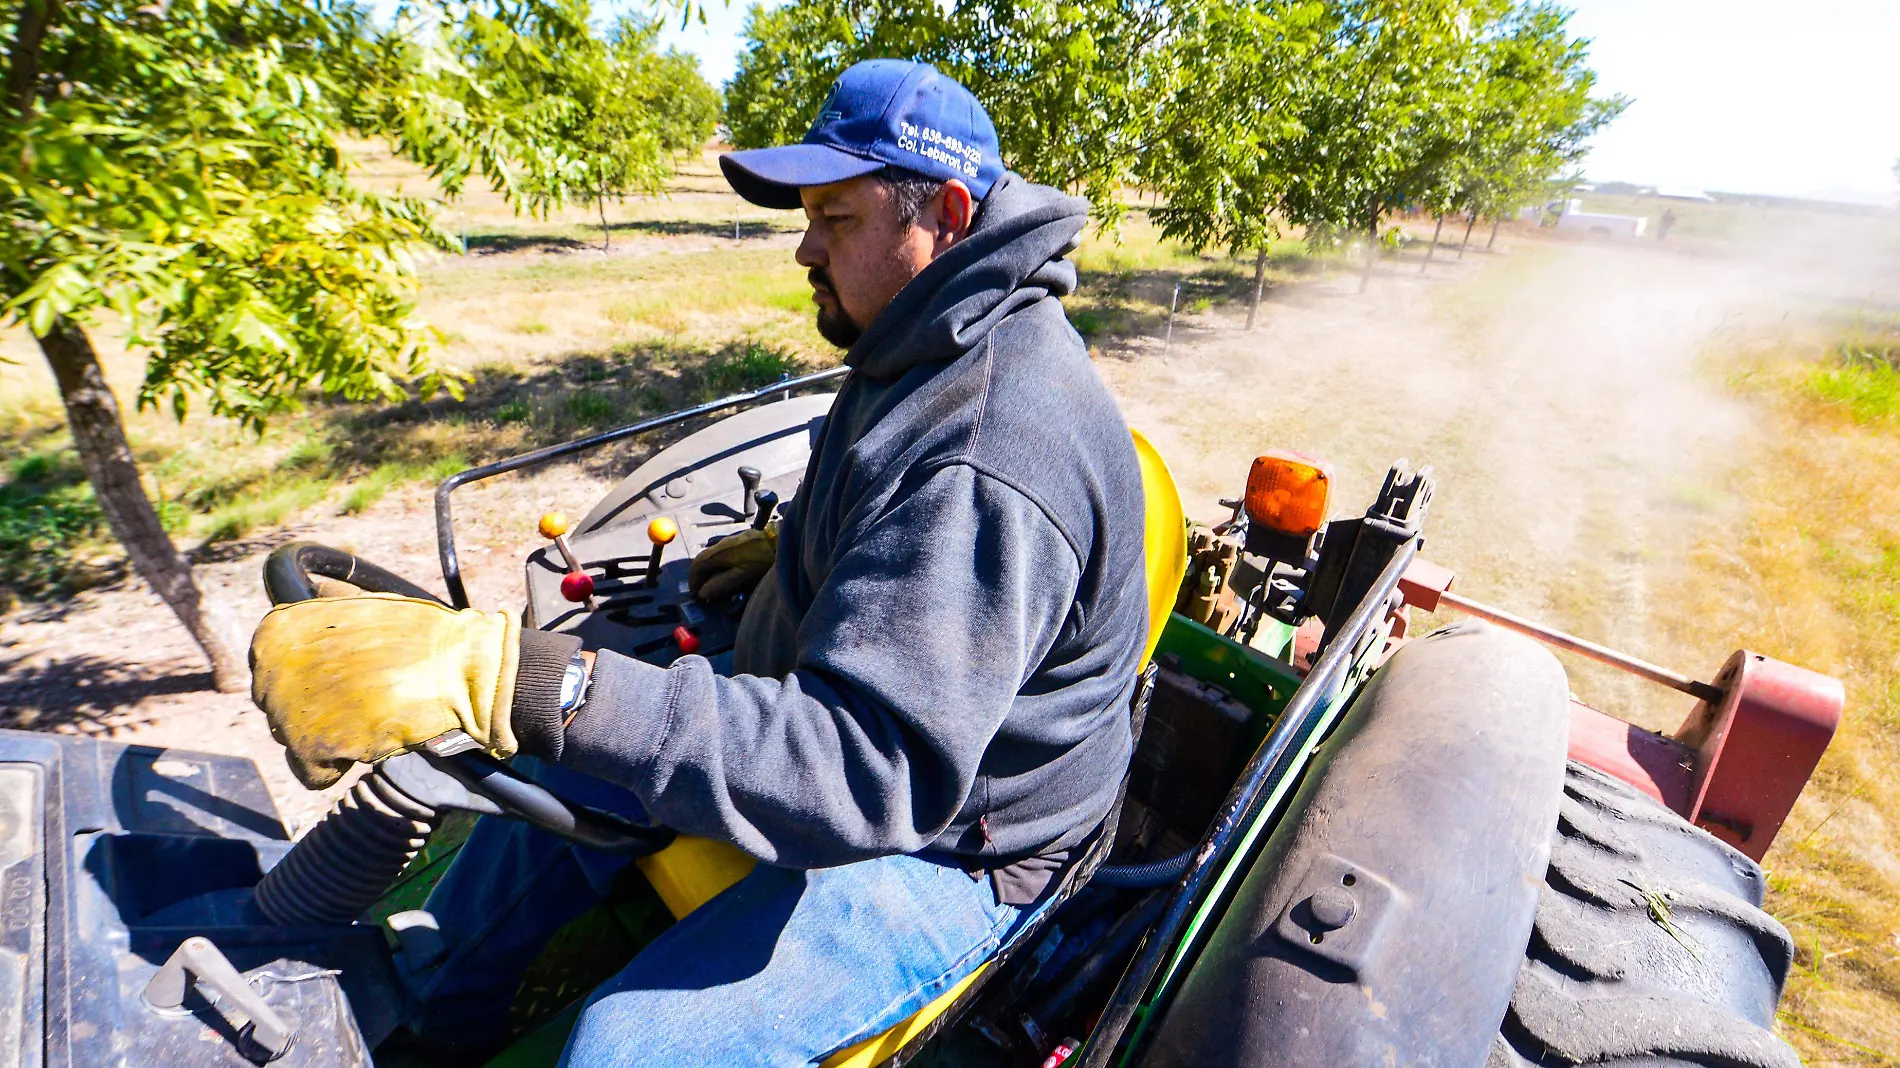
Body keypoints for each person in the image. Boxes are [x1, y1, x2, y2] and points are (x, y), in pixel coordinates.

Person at [247, 59, 1147, 1066]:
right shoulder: (923, 332)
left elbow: (866, 777)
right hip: (829, 717)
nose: (803, 247)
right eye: (804, 215)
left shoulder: (991, 449)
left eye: (834, 219)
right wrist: (801, 551)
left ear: (941, 211)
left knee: (627, 1048)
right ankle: (421, 1021)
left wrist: (528, 678)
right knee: (550, 760)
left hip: (959, 843)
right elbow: (889, 511)